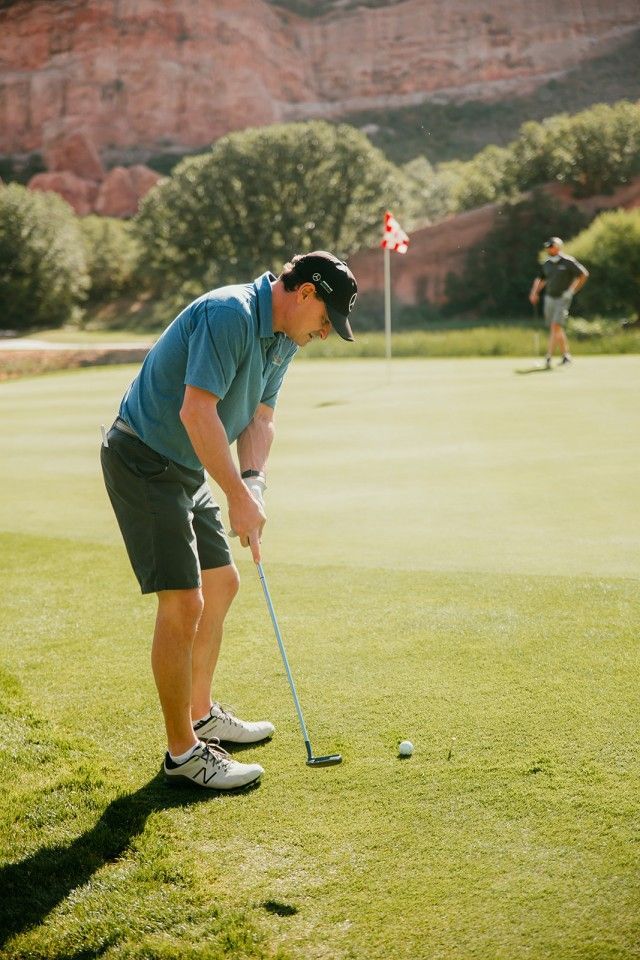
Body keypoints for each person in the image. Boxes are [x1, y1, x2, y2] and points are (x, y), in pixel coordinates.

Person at [100, 251, 358, 790]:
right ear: (305, 293)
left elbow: (261, 417)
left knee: (222, 582)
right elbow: (197, 411)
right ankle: (183, 753)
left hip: (187, 463)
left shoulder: (285, 339)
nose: (327, 333)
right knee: (183, 599)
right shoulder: (231, 314)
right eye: (327, 319)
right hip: (144, 458)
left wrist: (253, 485)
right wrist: (235, 495)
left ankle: (200, 713)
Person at [529, 236, 589, 368]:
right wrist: (535, 292)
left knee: (555, 326)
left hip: (562, 298)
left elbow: (584, 274)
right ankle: (566, 355)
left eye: (551, 246)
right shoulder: (547, 263)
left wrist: (572, 291)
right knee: (555, 327)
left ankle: (548, 357)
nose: (548, 249)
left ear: (558, 247)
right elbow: (541, 279)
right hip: (549, 298)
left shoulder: (568, 262)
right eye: (547, 247)